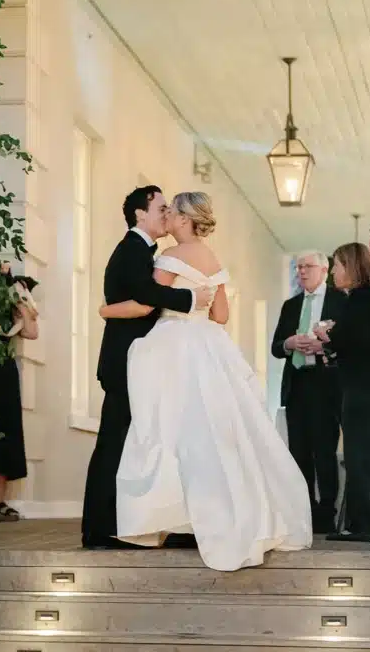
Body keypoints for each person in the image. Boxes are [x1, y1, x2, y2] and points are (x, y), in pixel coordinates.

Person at [100, 192, 312, 571]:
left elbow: (148, 303)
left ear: (184, 219)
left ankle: (163, 517)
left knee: (165, 429)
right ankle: (218, 511)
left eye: (171, 212)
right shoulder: (213, 259)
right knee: (212, 432)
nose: (167, 218)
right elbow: (221, 315)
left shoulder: (170, 257)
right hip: (209, 347)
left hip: (173, 346)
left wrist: (105, 309)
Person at [81, 185, 212, 551]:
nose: (166, 212)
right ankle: (100, 530)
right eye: (160, 206)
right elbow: (144, 296)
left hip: (145, 362)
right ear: (141, 214)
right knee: (115, 443)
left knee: (139, 444)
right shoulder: (131, 249)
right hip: (124, 362)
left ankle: (134, 523)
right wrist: (191, 298)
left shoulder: (147, 252)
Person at [315, 243, 370, 539]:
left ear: (351, 267)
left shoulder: (359, 301)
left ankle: (361, 524)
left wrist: (328, 336)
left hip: (362, 386)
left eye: (337, 265)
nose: (333, 272)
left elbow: (356, 342)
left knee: (358, 454)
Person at [271, 251, 345, 534]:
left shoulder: (341, 301)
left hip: (326, 384)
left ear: (324, 270)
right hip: (297, 384)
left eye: (307, 267)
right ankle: (304, 511)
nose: (301, 272)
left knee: (324, 451)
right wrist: (289, 342)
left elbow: (347, 343)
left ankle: (327, 511)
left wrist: (323, 347)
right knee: (298, 451)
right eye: (298, 267)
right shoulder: (291, 305)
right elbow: (276, 348)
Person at [0, 263, 39, 522]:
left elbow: (31, 332)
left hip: (3, 373)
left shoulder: (11, 307)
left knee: (4, 433)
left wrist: (22, 303)